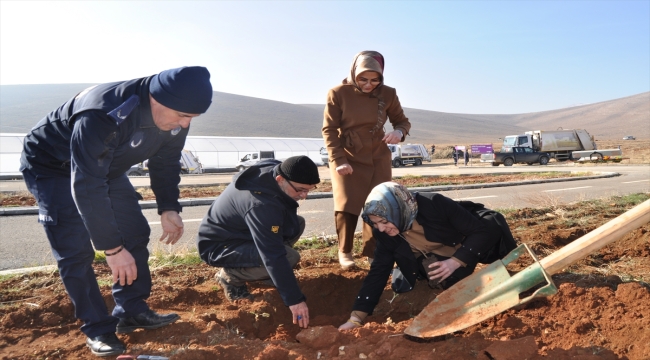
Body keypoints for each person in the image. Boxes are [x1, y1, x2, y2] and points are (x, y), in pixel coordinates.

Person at [19, 66, 213, 357]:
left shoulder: (177, 111)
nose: (185, 125)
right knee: (75, 250)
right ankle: (98, 328)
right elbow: (86, 185)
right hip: (53, 167)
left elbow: (166, 162)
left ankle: (130, 309)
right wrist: (111, 248)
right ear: (156, 100)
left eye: (191, 119)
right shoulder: (104, 111)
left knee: (134, 231)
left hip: (104, 166)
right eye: (182, 117)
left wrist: (169, 207)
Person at [338, 182, 516, 330]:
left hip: (463, 237)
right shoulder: (384, 233)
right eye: (375, 224)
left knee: (491, 228)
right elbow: (378, 271)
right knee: (443, 276)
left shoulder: (433, 204)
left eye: (384, 221)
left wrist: (456, 261)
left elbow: (479, 231)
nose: (381, 228)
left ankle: (507, 273)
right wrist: (356, 318)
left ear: (400, 210)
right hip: (432, 253)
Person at [197, 156, 320, 329]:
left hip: (241, 233)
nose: (304, 196)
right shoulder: (261, 205)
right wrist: (295, 300)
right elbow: (273, 255)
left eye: (309, 190)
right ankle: (230, 276)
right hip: (220, 245)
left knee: (296, 223)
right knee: (289, 257)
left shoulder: (273, 171)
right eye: (300, 190)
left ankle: (265, 272)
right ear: (280, 179)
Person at [322, 50, 411, 270]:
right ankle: (345, 251)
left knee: (378, 205)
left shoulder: (388, 93)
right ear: (354, 73)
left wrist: (399, 133)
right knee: (346, 204)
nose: (369, 84)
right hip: (348, 155)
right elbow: (330, 130)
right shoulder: (337, 93)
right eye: (363, 79)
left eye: (375, 80)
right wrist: (339, 160)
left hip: (378, 155)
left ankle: (373, 253)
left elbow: (402, 121)